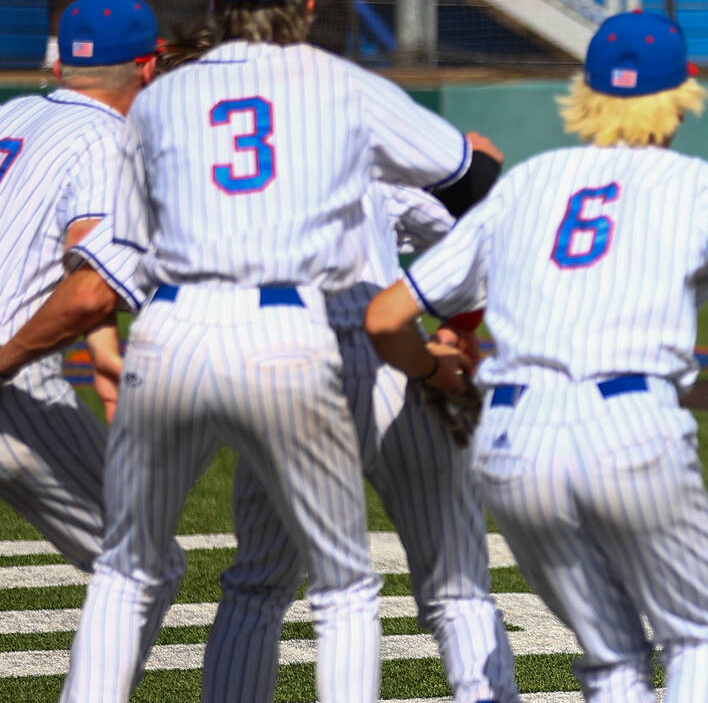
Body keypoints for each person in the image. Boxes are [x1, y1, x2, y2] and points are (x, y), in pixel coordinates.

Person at [55, 0, 495, 703]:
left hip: (172, 328)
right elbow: (467, 172)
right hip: (304, 333)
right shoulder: (343, 88)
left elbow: (126, 240)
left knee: (133, 571)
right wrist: (462, 333)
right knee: (355, 587)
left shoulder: (162, 98)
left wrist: (102, 339)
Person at [364, 11, 708, 703]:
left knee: (612, 660)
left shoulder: (526, 181)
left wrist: (432, 370)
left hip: (512, 441)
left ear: (587, 91)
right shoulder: (702, 182)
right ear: (685, 90)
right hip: (630, 426)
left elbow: (387, 316)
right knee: (699, 641)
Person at [199, 180, 520, 703]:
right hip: (399, 370)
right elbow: (470, 238)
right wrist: (457, 327)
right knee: (459, 593)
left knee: (257, 589)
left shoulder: (217, 164)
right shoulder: (372, 153)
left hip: (291, 376)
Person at [0, 0, 159, 570]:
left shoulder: (12, 114)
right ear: (149, 66)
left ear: (62, 64)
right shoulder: (114, 142)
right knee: (141, 565)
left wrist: (99, 348)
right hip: (13, 386)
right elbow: (91, 285)